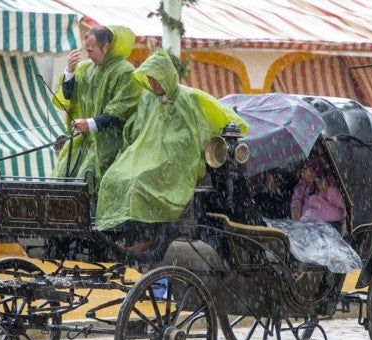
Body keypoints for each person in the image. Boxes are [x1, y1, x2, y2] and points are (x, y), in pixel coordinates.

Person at [94, 48, 249, 232]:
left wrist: (168, 144)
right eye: (149, 79)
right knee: (113, 178)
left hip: (174, 160)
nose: (152, 83)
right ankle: (123, 232)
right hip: (146, 156)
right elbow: (136, 129)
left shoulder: (188, 98)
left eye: (155, 78)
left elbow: (194, 134)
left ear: (166, 76)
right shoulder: (148, 99)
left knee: (137, 183)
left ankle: (146, 236)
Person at [51, 26, 142, 189]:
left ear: (106, 46)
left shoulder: (125, 72)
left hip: (111, 143)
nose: (89, 55)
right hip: (84, 140)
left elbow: (120, 112)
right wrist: (69, 72)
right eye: (87, 51)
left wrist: (90, 123)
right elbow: (69, 95)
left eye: (91, 51)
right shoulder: (86, 69)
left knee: (86, 183)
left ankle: (91, 214)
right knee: (62, 176)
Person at [291, 158, 345, 232]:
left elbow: (340, 203)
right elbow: (296, 206)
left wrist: (322, 186)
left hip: (330, 223)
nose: (304, 172)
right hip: (309, 226)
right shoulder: (301, 186)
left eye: (308, 169)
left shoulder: (328, 180)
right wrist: (298, 227)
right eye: (303, 169)